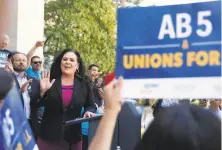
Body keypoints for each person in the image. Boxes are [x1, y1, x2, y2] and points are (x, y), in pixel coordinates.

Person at [35, 49, 97, 150]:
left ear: (77, 66)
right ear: (60, 63)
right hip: (48, 137)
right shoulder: (49, 80)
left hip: (73, 138)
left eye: (72, 60)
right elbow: (34, 105)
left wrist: (88, 112)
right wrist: (42, 92)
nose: (67, 62)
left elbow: (91, 105)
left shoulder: (84, 84)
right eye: (65, 59)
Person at [10, 52, 41, 138]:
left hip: (31, 122)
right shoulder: (6, 78)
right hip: (13, 123)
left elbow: (38, 103)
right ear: (12, 62)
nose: (21, 62)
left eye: (24, 60)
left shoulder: (34, 81)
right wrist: (19, 92)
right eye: (18, 60)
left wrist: (43, 93)